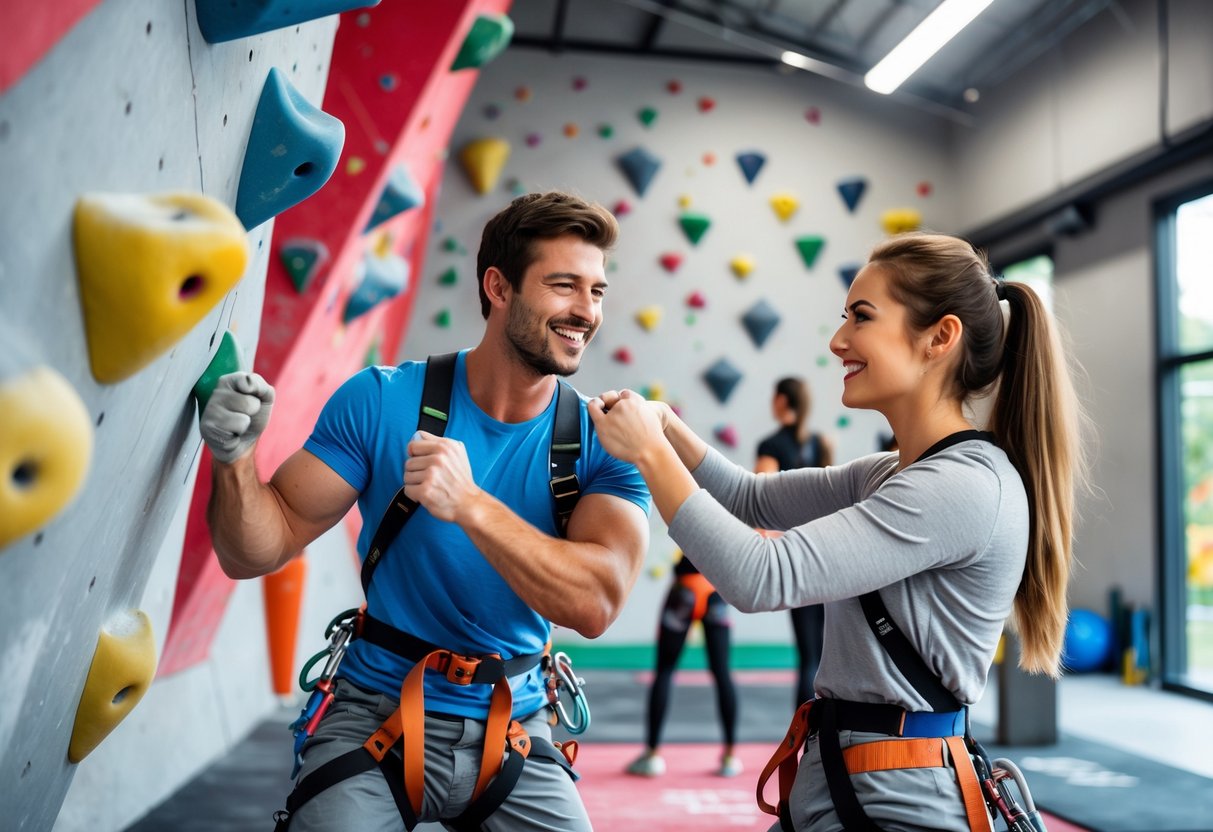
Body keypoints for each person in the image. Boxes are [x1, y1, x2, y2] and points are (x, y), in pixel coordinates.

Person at [588, 232, 1084, 832]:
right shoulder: (891, 473)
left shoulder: (965, 488)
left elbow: (759, 576)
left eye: (862, 317)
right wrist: (669, 429)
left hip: (895, 803)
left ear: (940, 337)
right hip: (843, 782)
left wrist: (648, 453)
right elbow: (752, 497)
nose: (838, 339)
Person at [199, 191, 651, 832]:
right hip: (373, 714)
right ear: (498, 287)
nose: (586, 311)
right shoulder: (380, 401)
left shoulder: (607, 439)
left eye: (597, 291)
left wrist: (469, 504)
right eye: (564, 286)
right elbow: (253, 550)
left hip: (515, 722)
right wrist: (234, 459)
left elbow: (596, 604)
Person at [626, 550, 741, 779]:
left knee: (665, 671)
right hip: (714, 591)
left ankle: (652, 754)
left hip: (685, 589)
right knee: (722, 673)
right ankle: (729, 756)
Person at [754, 377, 834, 708]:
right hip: (827, 555)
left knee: (808, 658)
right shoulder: (820, 443)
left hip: (799, 559)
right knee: (826, 656)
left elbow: (759, 502)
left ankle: (806, 740)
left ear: (783, 402)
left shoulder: (771, 446)